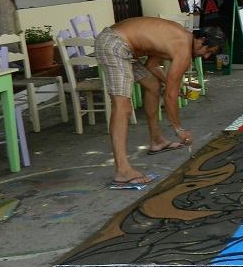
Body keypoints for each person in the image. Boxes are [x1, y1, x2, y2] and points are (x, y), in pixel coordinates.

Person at [94, 19, 225, 185]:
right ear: (201, 40)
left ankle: (157, 141)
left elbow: (152, 66)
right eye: (208, 50)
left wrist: (174, 85)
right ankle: (122, 170)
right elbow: (170, 96)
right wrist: (179, 129)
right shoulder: (183, 50)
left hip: (123, 46)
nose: (205, 56)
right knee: (122, 106)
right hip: (115, 44)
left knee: (152, 85)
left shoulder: (178, 37)